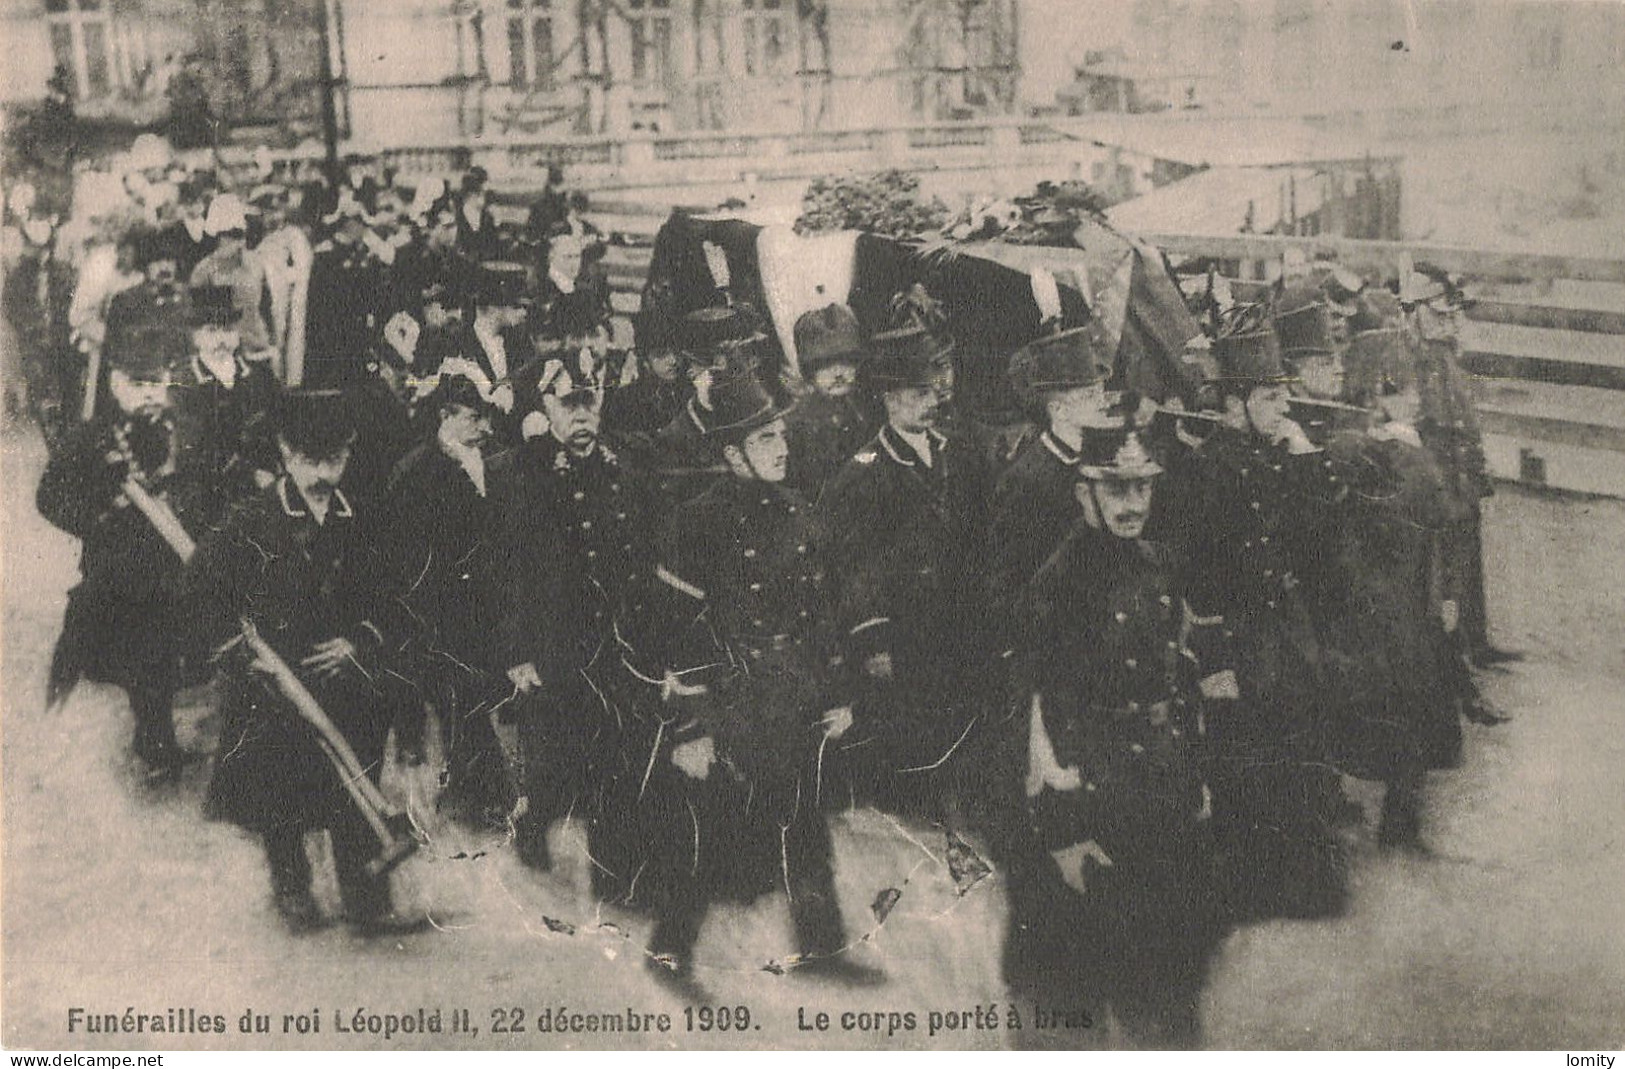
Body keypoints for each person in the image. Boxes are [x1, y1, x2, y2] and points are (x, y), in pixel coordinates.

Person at [645, 368, 880, 993]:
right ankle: (668, 950)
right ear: (732, 454)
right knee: (717, 830)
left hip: (791, 693)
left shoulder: (798, 511)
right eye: (764, 439)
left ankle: (823, 946)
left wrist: (836, 695)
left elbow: (817, 613)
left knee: (805, 825)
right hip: (730, 699)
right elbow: (677, 628)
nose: (780, 448)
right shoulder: (697, 522)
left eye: (780, 435)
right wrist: (690, 727)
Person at [1010, 423, 1228, 1048]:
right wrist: (1063, 828)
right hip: (1100, 799)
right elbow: (1040, 715)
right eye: (1116, 490)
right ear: (1086, 495)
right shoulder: (1059, 584)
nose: (1132, 504)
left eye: (1141, 488)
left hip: (1164, 786)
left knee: (1175, 971)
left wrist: (1197, 780)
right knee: (1105, 980)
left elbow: (1176, 682)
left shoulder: (1158, 563)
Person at [184, 390, 422, 936]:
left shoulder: (364, 517)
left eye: (335, 459)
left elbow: (394, 594)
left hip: (343, 680)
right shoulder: (251, 520)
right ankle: (291, 886)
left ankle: (366, 893)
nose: (323, 472)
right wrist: (240, 655)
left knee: (354, 775)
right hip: (273, 685)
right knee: (279, 788)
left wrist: (360, 641)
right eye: (310, 460)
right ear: (286, 455)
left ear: (349, 454)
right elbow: (199, 589)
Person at [1156, 306, 1351, 921]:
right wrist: (1213, 663)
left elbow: (1318, 539)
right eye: (1268, 399)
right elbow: (1193, 577)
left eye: (1279, 397)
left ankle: (1307, 885)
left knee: (1301, 747)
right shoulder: (1205, 471)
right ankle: (1249, 891)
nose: (1280, 409)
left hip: (1286, 631)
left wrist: (1305, 459)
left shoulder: (1282, 455)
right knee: (1244, 761)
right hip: (1237, 637)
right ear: (1235, 404)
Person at [818, 308, 993, 815]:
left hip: (957, 622)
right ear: (890, 400)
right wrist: (872, 638)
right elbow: (851, 567)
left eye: (932, 390)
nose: (931, 401)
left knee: (960, 727)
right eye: (917, 394)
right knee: (910, 736)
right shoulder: (862, 475)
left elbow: (981, 535)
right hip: (904, 631)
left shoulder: (959, 455)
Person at [497, 344, 659, 872]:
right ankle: (531, 819)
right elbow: (516, 571)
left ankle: (614, 873)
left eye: (589, 403)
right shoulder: (531, 477)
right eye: (568, 405)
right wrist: (520, 654)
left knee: (619, 751)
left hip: (619, 637)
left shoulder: (626, 465)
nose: (582, 416)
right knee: (558, 758)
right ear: (546, 410)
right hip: (559, 640)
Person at [37, 362, 199, 782]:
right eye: (137, 384)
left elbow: (202, 484)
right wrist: (98, 516)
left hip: (170, 564)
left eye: (156, 383)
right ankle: (146, 741)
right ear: (115, 385)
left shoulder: (182, 430)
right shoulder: (92, 438)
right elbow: (49, 497)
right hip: (116, 566)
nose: (148, 393)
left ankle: (156, 738)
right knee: (127, 655)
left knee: (163, 658)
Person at [379, 373, 514, 825]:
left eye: (486, 418)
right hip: (442, 611)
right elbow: (405, 556)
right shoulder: (416, 472)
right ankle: (484, 796)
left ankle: (477, 789)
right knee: (463, 699)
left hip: (489, 605)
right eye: (474, 418)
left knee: (473, 701)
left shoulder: (493, 460)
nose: (484, 428)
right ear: (445, 417)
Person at [1402, 262, 1521, 668]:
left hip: (1459, 462)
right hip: (1435, 463)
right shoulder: (1414, 358)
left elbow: (1464, 418)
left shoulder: (1447, 358)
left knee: (1467, 546)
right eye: (1440, 312)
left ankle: (1476, 639)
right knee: (1441, 558)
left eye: (1453, 313)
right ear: (1418, 312)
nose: (1451, 320)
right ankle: (1451, 650)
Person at [987, 295, 1116, 638]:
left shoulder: (1103, 459)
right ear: (1058, 412)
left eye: (1101, 393)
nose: (1102, 404)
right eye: (1089, 397)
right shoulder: (1026, 480)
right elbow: (1009, 587)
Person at [783, 303, 877, 503]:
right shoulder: (799, 424)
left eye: (846, 361)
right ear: (809, 371)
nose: (838, 373)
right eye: (823, 365)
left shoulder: (870, 406)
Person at [304, 196, 385, 389]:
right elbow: (321, 300)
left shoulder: (357, 252)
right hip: (331, 330)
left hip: (353, 329)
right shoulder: (326, 255)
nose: (365, 230)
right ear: (351, 224)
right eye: (362, 224)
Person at [188, 193, 273, 353]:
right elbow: (201, 321)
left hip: (257, 343)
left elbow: (267, 306)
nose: (235, 242)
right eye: (228, 235)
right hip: (223, 349)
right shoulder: (203, 272)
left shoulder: (256, 264)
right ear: (216, 237)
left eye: (238, 235)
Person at [601, 311, 693, 440]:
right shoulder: (625, 400)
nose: (673, 360)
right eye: (661, 354)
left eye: (676, 351)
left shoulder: (692, 389)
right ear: (644, 361)